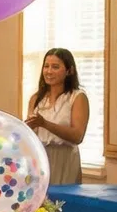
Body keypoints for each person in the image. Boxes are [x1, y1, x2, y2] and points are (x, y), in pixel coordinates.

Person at [26, 47, 89, 187]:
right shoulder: (36, 98)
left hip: (65, 158)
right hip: (40, 158)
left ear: (69, 71)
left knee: (61, 204)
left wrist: (45, 124)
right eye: (46, 66)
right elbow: (30, 134)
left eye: (55, 67)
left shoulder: (77, 97)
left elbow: (77, 136)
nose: (49, 71)